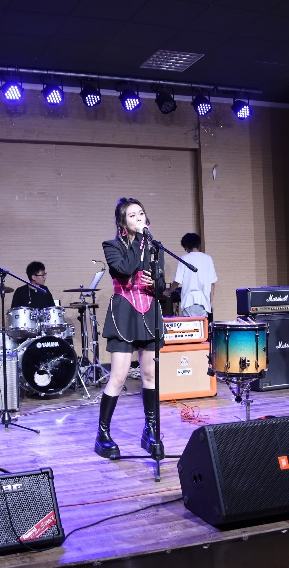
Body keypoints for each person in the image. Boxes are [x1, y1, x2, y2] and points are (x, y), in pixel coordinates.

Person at [95, 197, 166, 459]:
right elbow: (125, 268)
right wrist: (139, 240)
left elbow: (162, 286)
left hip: (149, 312)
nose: (139, 218)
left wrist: (154, 283)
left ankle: (150, 430)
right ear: (123, 223)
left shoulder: (155, 248)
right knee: (119, 376)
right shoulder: (112, 246)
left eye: (141, 214)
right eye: (132, 215)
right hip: (124, 314)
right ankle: (102, 434)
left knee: (150, 375)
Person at [168, 233, 217, 320]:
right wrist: (211, 302)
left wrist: (168, 291)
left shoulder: (184, 258)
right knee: (202, 326)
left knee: (191, 326)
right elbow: (212, 283)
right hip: (204, 302)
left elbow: (177, 281)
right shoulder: (208, 258)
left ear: (186, 246)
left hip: (189, 301)